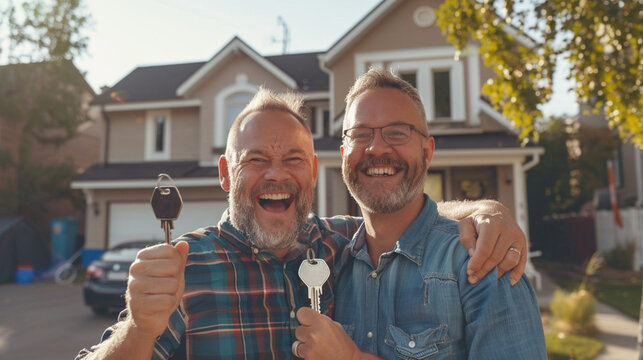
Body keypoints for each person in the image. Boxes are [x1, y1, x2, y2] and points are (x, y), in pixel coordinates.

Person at [76, 88, 528, 360]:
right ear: (225, 173)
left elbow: (393, 212)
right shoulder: (185, 266)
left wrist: (482, 210)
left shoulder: (335, 242)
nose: (277, 174)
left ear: (312, 171)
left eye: (293, 159)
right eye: (256, 160)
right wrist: (138, 328)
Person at [293, 69, 546, 359]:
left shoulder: (482, 260)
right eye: (361, 134)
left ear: (427, 152)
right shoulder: (329, 256)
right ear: (343, 155)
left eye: (397, 133)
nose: (376, 147)